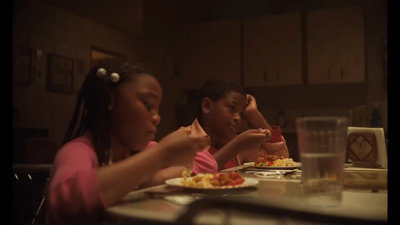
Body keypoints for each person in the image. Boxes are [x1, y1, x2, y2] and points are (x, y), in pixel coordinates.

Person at [45, 58, 209, 225]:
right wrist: (162, 154)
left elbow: (202, 161)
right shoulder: (77, 151)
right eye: (148, 105)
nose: (157, 118)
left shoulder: (143, 150)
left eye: (157, 109)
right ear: (111, 101)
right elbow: (67, 202)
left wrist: (160, 171)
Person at [185, 79, 289, 170]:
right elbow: (188, 174)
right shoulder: (183, 139)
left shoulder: (231, 141)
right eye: (231, 108)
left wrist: (254, 115)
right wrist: (236, 146)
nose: (238, 118)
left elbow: (280, 159)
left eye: (241, 113)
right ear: (206, 106)